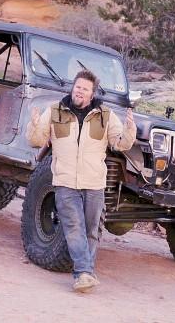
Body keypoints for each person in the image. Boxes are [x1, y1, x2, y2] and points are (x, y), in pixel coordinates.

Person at [26, 69, 136, 293]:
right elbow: (36, 141)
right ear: (72, 88)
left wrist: (129, 129)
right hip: (65, 181)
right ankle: (84, 272)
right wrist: (35, 125)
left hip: (94, 183)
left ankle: (85, 273)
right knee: (74, 226)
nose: (79, 91)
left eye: (84, 89)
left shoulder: (105, 115)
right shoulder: (56, 111)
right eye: (77, 87)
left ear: (92, 93)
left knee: (91, 230)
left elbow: (120, 143)